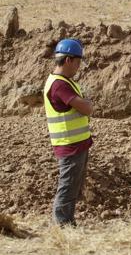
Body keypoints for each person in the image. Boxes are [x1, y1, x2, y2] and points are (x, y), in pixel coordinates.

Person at [43, 39, 93, 227]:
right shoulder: (59, 85)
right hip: (69, 144)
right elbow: (86, 108)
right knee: (67, 187)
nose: (79, 67)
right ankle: (62, 226)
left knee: (72, 187)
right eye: (78, 62)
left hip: (76, 143)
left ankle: (68, 224)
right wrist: (88, 104)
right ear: (68, 60)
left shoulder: (63, 82)